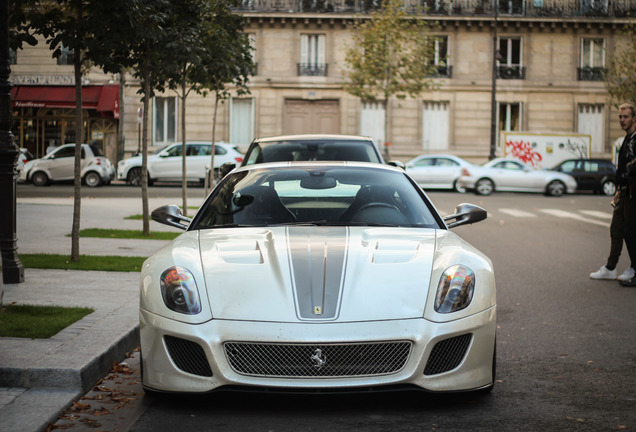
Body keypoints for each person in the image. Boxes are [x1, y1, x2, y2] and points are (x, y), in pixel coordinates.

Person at [610, 103, 636, 286]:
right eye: (620, 117)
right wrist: (619, 190)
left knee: (630, 231)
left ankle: (634, 269)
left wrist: (628, 174)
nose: (622, 120)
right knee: (619, 229)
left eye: (626, 116)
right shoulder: (627, 139)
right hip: (625, 191)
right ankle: (611, 268)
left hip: (633, 191)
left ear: (634, 118)